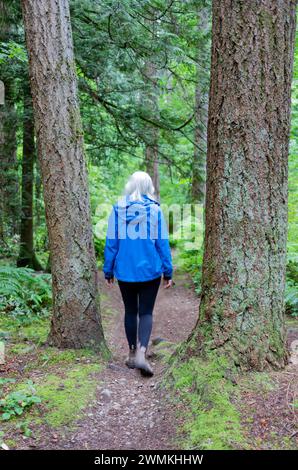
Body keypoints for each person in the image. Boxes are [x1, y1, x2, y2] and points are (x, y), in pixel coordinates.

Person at [103, 171, 173, 376]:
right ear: (148, 187)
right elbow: (162, 243)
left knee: (130, 311)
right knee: (146, 312)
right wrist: (168, 271)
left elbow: (111, 242)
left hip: (125, 270)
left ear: (130, 186)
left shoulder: (118, 209)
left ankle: (132, 353)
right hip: (150, 270)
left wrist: (108, 269)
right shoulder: (155, 210)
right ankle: (142, 352)